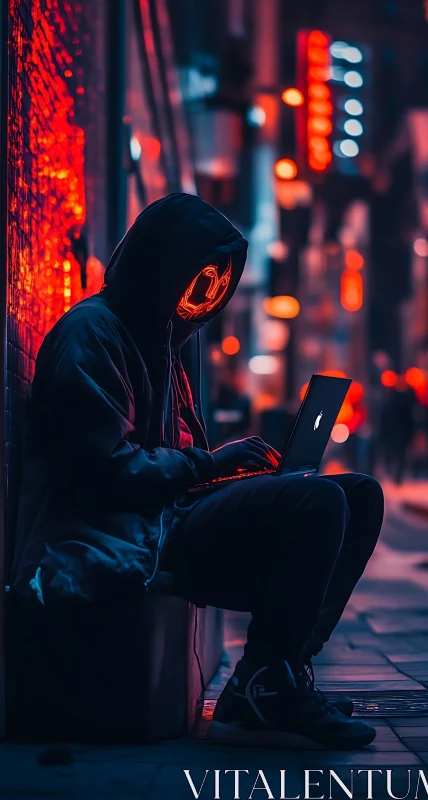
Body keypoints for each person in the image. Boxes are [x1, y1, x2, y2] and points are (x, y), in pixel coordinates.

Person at [12, 193, 383, 750]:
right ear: (161, 265)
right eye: (196, 275)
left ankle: (274, 674)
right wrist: (212, 464)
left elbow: (176, 465)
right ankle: (268, 683)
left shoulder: (163, 346)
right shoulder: (91, 333)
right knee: (320, 503)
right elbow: (100, 472)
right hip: (123, 533)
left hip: (166, 521)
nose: (204, 292)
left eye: (215, 281)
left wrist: (236, 477)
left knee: (358, 496)